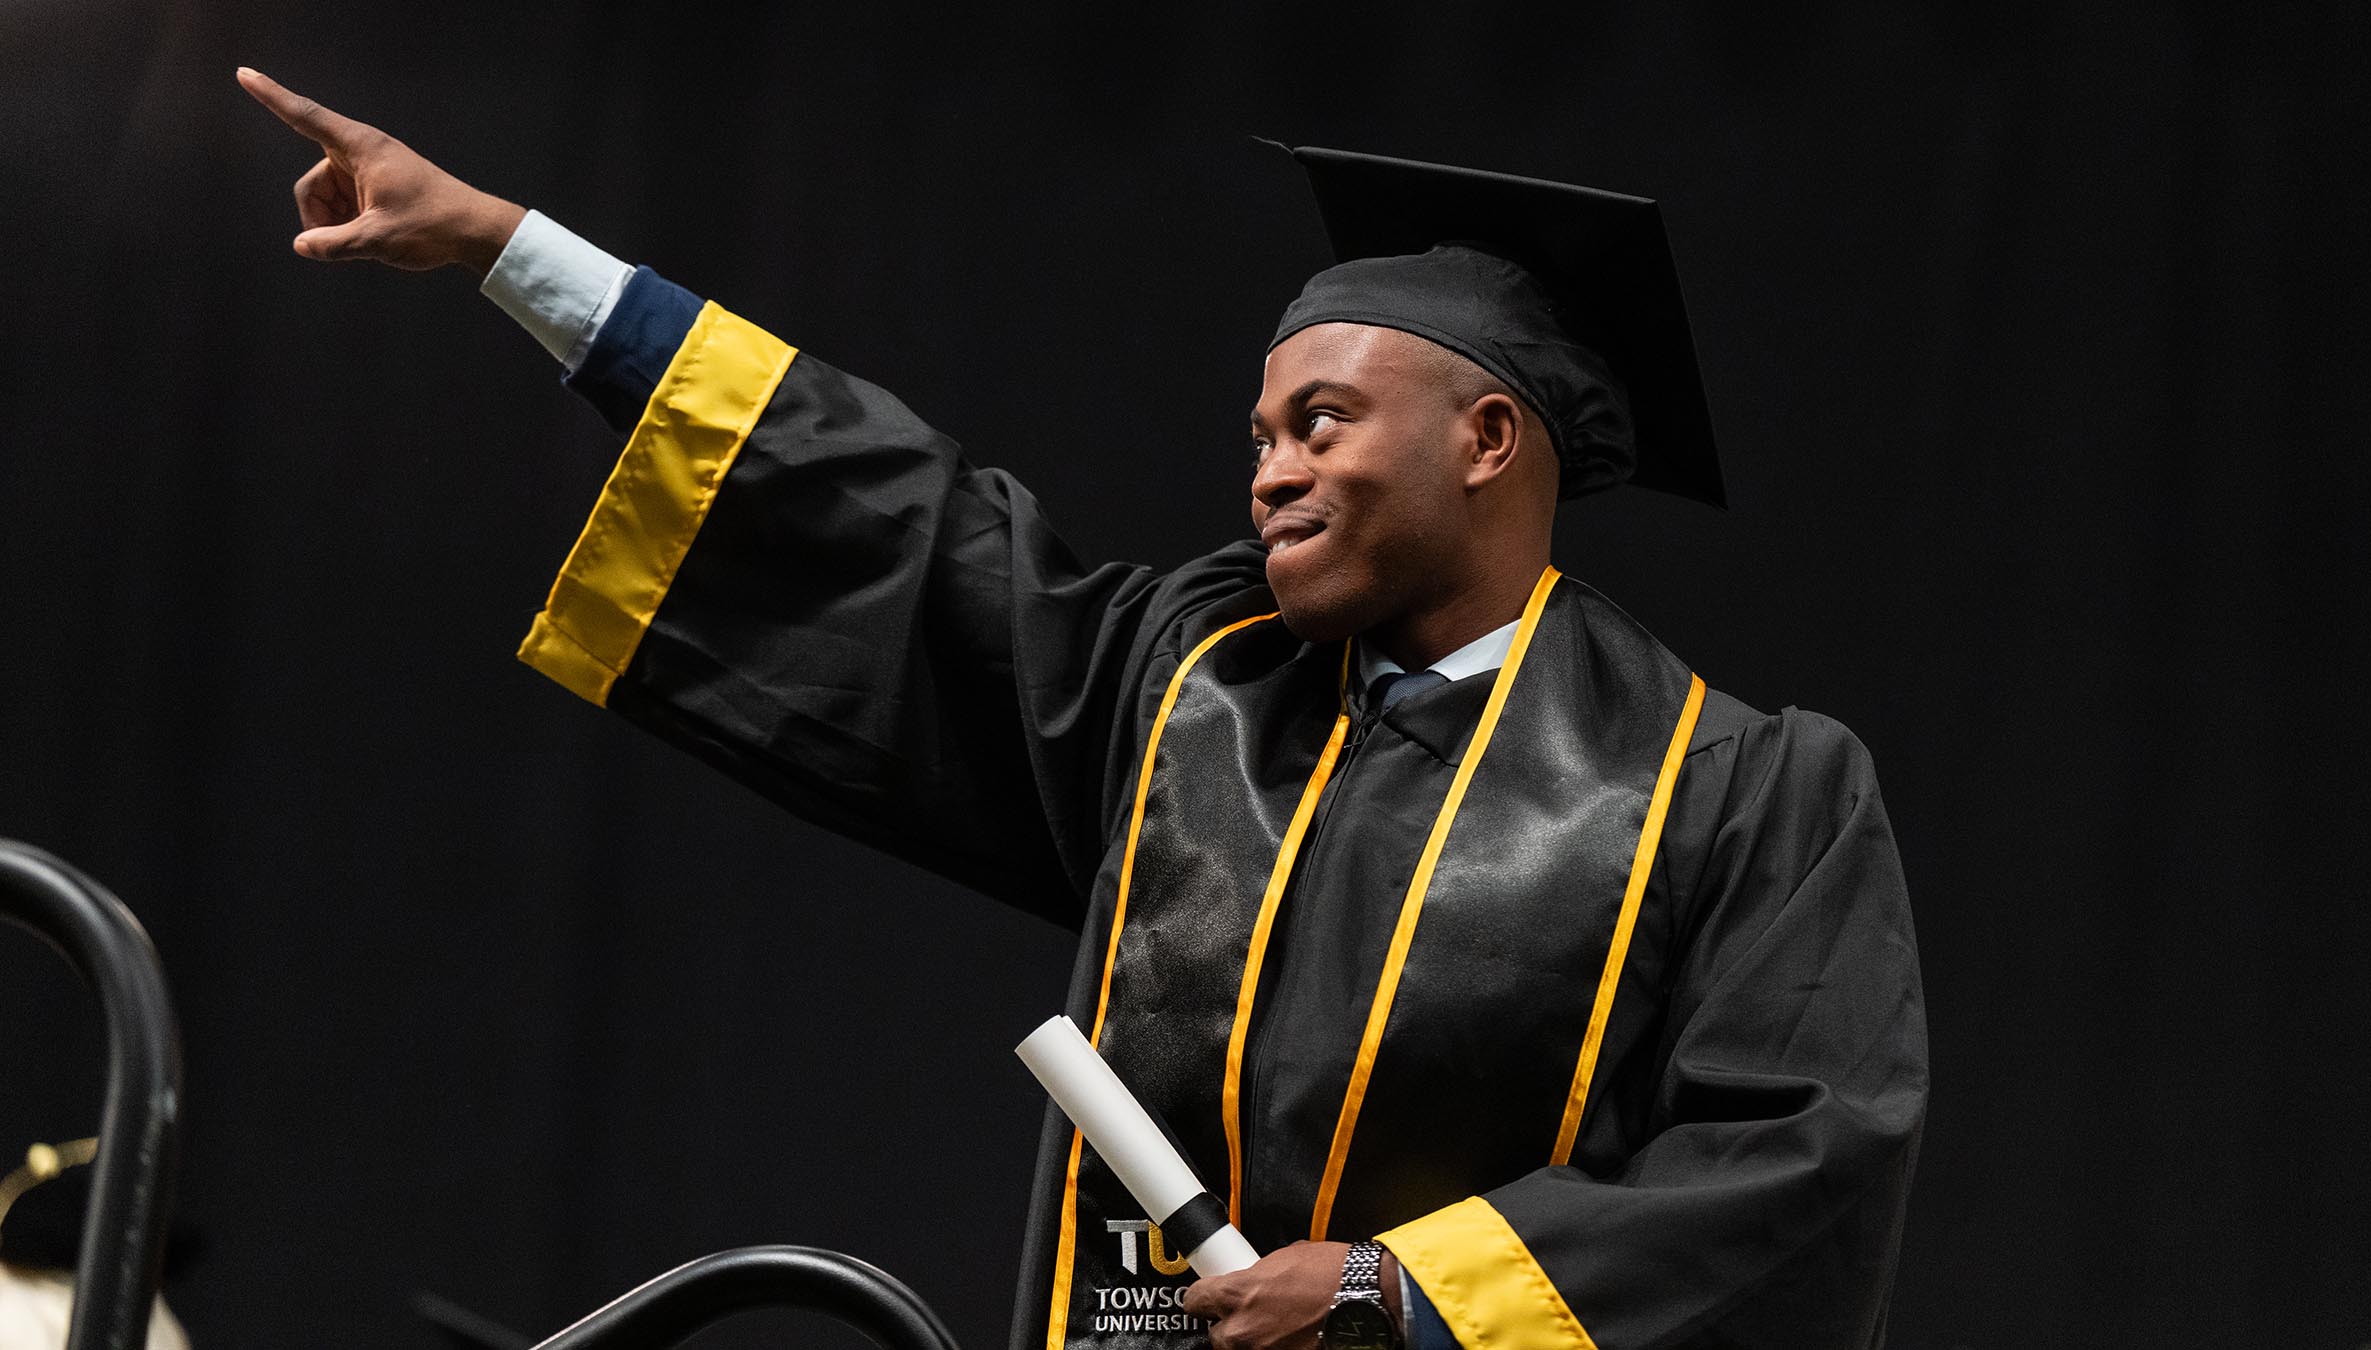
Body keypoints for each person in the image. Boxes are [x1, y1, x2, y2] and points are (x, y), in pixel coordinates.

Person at [238, 66, 1927, 1350]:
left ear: (1487, 441)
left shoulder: (1736, 789)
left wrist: (1395, 1293)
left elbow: (1798, 1159)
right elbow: (888, 519)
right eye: (1261, 435)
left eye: (1323, 423)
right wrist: (508, 250)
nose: (1270, 473)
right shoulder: (1196, 687)